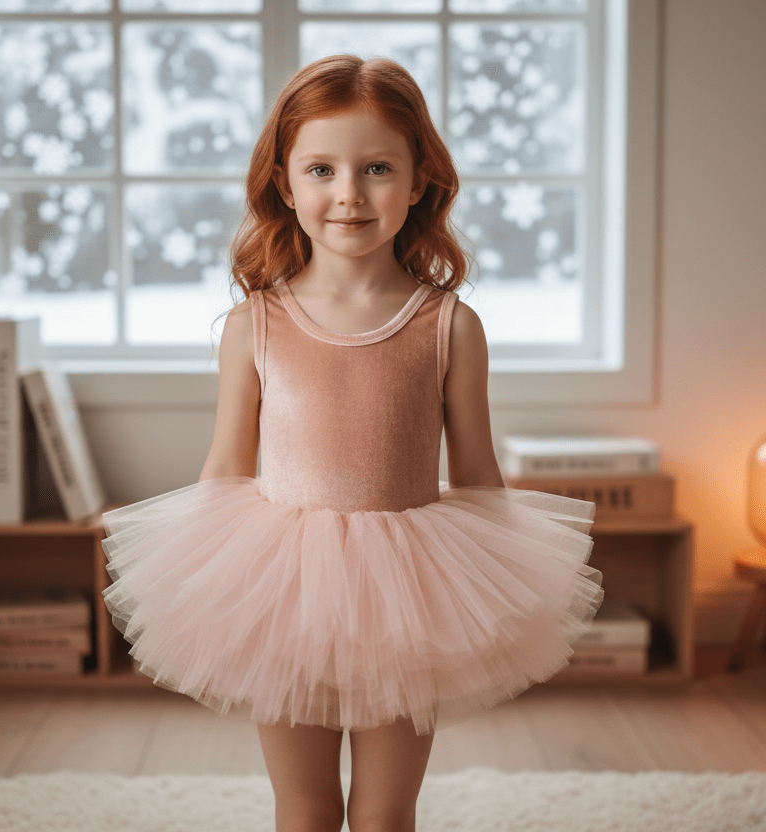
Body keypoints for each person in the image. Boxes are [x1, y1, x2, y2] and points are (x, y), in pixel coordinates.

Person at [102, 55, 604, 832]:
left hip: (413, 591)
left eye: (376, 168)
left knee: (385, 810)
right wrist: (201, 583)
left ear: (418, 180)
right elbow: (229, 467)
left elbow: (476, 473)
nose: (349, 194)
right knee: (303, 808)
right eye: (322, 169)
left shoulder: (450, 326)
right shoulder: (255, 325)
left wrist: (499, 594)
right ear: (285, 181)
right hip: (281, 588)